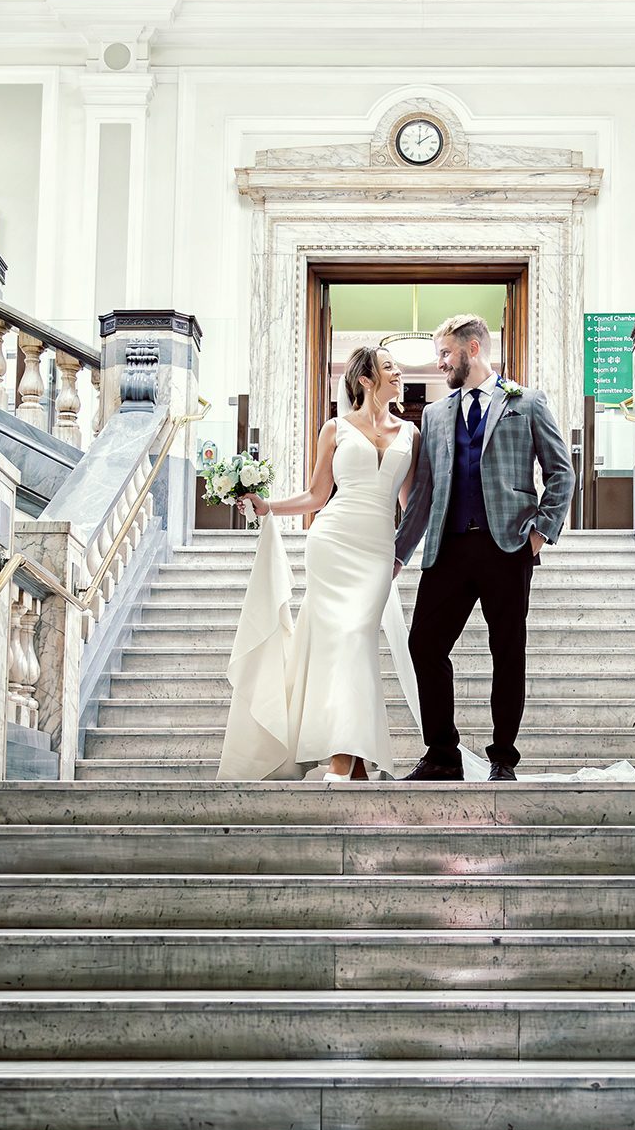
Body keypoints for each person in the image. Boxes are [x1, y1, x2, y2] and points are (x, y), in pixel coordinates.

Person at [218, 345, 418, 782]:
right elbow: (315, 497)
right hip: (332, 543)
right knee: (345, 645)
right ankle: (345, 759)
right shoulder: (335, 429)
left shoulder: (411, 435)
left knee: (355, 640)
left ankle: (354, 758)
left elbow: (412, 504)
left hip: (377, 551)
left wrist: (405, 552)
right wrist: (266, 505)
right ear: (365, 380)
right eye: (389, 367)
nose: (398, 371)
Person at [392, 312, 575, 782]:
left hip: (507, 548)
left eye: (446, 353)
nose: (440, 364)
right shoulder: (434, 414)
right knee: (424, 645)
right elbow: (425, 493)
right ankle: (443, 754)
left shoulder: (528, 402)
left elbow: (561, 472)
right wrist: (398, 553)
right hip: (448, 550)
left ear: (473, 349)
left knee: (507, 651)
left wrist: (540, 533)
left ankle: (503, 758)